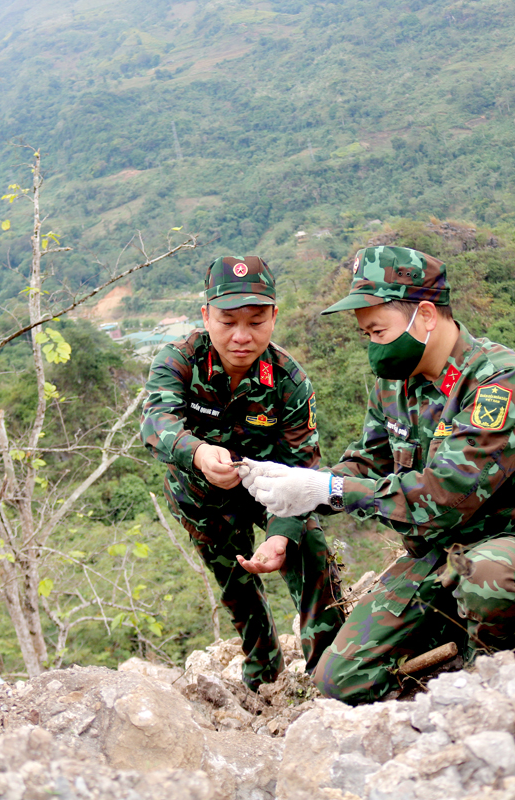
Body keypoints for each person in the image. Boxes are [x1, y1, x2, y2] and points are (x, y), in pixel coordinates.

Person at [242, 245, 515, 704]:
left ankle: (498, 672)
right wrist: (294, 502)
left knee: (487, 579)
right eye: (365, 333)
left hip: (506, 540)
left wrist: (331, 489)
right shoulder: (395, 385)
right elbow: (368, 461)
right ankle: (446, 648)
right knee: (339, 681)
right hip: (432, 555)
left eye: (377, 330)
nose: (372, 344)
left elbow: (447, 496)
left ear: (425, 315)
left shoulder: (498, 382)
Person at [141, 256, 344, 691]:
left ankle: (332, 672)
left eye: (255, 321)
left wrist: (280, 534)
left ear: (274, 316)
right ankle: (263, 675)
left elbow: (304, 465)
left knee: (308, 553)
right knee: (237, 586)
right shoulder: (179, 360)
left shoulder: (288, 380)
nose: (241, 336)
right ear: (206, 316)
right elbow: (157, 424)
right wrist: (198, 454)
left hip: (272, 489)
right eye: (227, 321)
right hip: (202, 497)